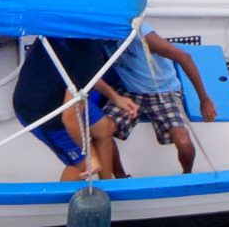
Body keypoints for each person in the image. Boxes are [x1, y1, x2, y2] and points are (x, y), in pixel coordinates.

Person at [91, 31, 218, 175]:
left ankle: (187, 174)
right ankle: (120, 176)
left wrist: (204, 99)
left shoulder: (144, 36)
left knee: (183, 141)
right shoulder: (98, 35)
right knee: (102, 130)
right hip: (129, 91)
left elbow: (184, 57)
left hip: (163, 92)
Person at [12, 35, 136, 180]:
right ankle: (65, 195)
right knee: (83, 166)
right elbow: (70, 119)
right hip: (40, 112)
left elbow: (87, 76)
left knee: (105, 128)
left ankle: (107, 185)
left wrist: (116, 98)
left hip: (62, 95)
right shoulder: (89, 56)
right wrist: (90, 154)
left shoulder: (70, 34)